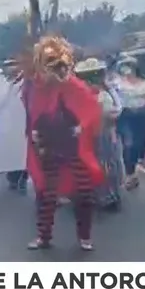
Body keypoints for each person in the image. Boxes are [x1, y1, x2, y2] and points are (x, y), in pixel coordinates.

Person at [22, 37, 104, 250]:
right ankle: (43, 236)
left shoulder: (74, 85)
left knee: (83, 193)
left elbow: (90, 109)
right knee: (46, 195)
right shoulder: (35, 87)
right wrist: (34, 134)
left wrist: (82, 127)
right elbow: (31, 113)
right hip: (49, 146)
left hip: (73, 146)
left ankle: (85, 237)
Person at [75, 58, 124, 210]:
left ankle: (110, 194)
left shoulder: (107, 90)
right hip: (87, 134)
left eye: (95, 73)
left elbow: (118, 109)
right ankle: (99, 195)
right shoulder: (79, 92)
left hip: (106, 132)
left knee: (111, 163)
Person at [112, 56, 145, 189]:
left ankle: (134, 168)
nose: (127, 68)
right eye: (125, 65)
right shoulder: (118, 82)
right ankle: (130, 174)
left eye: (129, 65)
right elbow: (113, 98)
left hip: (141, 115)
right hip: (126, 115)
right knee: (128, 144)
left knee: (138, 144)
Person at [2, 59, 29, 192]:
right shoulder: (2, 84)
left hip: (25, 122)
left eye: (14, 64)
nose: (11, 68)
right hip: (9, 125)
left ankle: (23, 178)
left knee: (26, 153)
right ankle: (13, 178)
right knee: (12, 152)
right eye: (8, 65)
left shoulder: (25, 82)